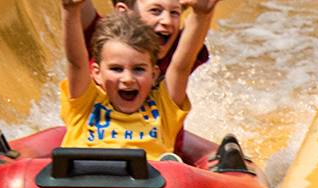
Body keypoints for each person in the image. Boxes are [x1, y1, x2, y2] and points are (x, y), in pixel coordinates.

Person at [57, 0, 217, 160]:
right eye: (116, 69)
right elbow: (76, 62)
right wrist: (69, 10)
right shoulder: (85, 104)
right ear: (96, 73)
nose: (128, 79)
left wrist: (201, 15)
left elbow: (181, 66)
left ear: (154, 74)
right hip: (85, 173)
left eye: (139, 69)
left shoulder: (164, 107)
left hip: (151, 174)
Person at [74, 0, 213, 81]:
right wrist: (69, 9)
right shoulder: (103, 38)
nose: (167, 21)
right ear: (123, 12)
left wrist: (204, 12)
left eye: (175, 12)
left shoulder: (178, 51)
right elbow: (74, 6)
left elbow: (202, 14)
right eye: (155, 10)